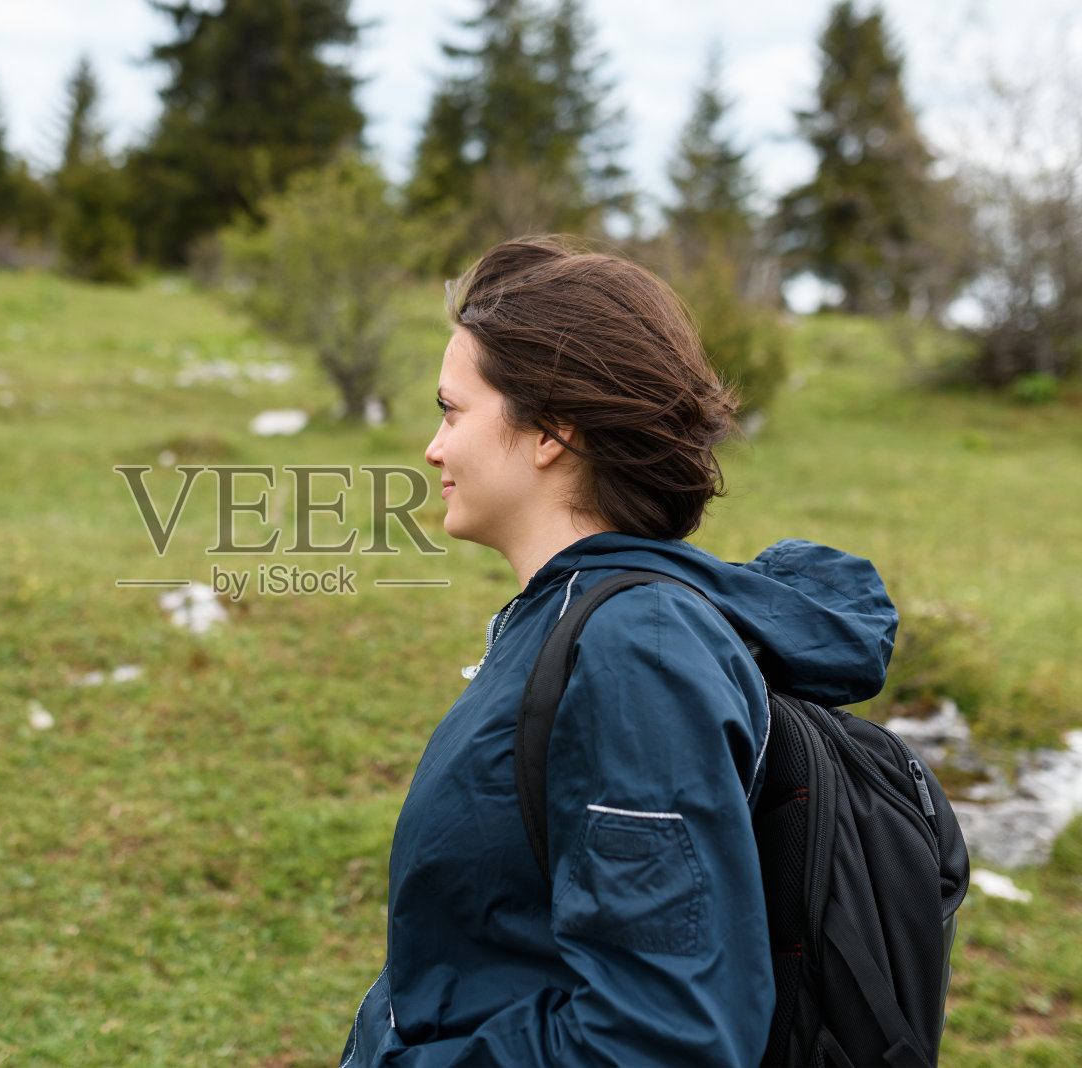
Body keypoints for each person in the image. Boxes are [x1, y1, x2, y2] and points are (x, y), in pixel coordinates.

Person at [339, 236, 898, 1067]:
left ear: (551, 430)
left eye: (452, 411)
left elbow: (661, 1038)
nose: (433, 446)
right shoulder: (573, 618)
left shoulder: (638, 654)